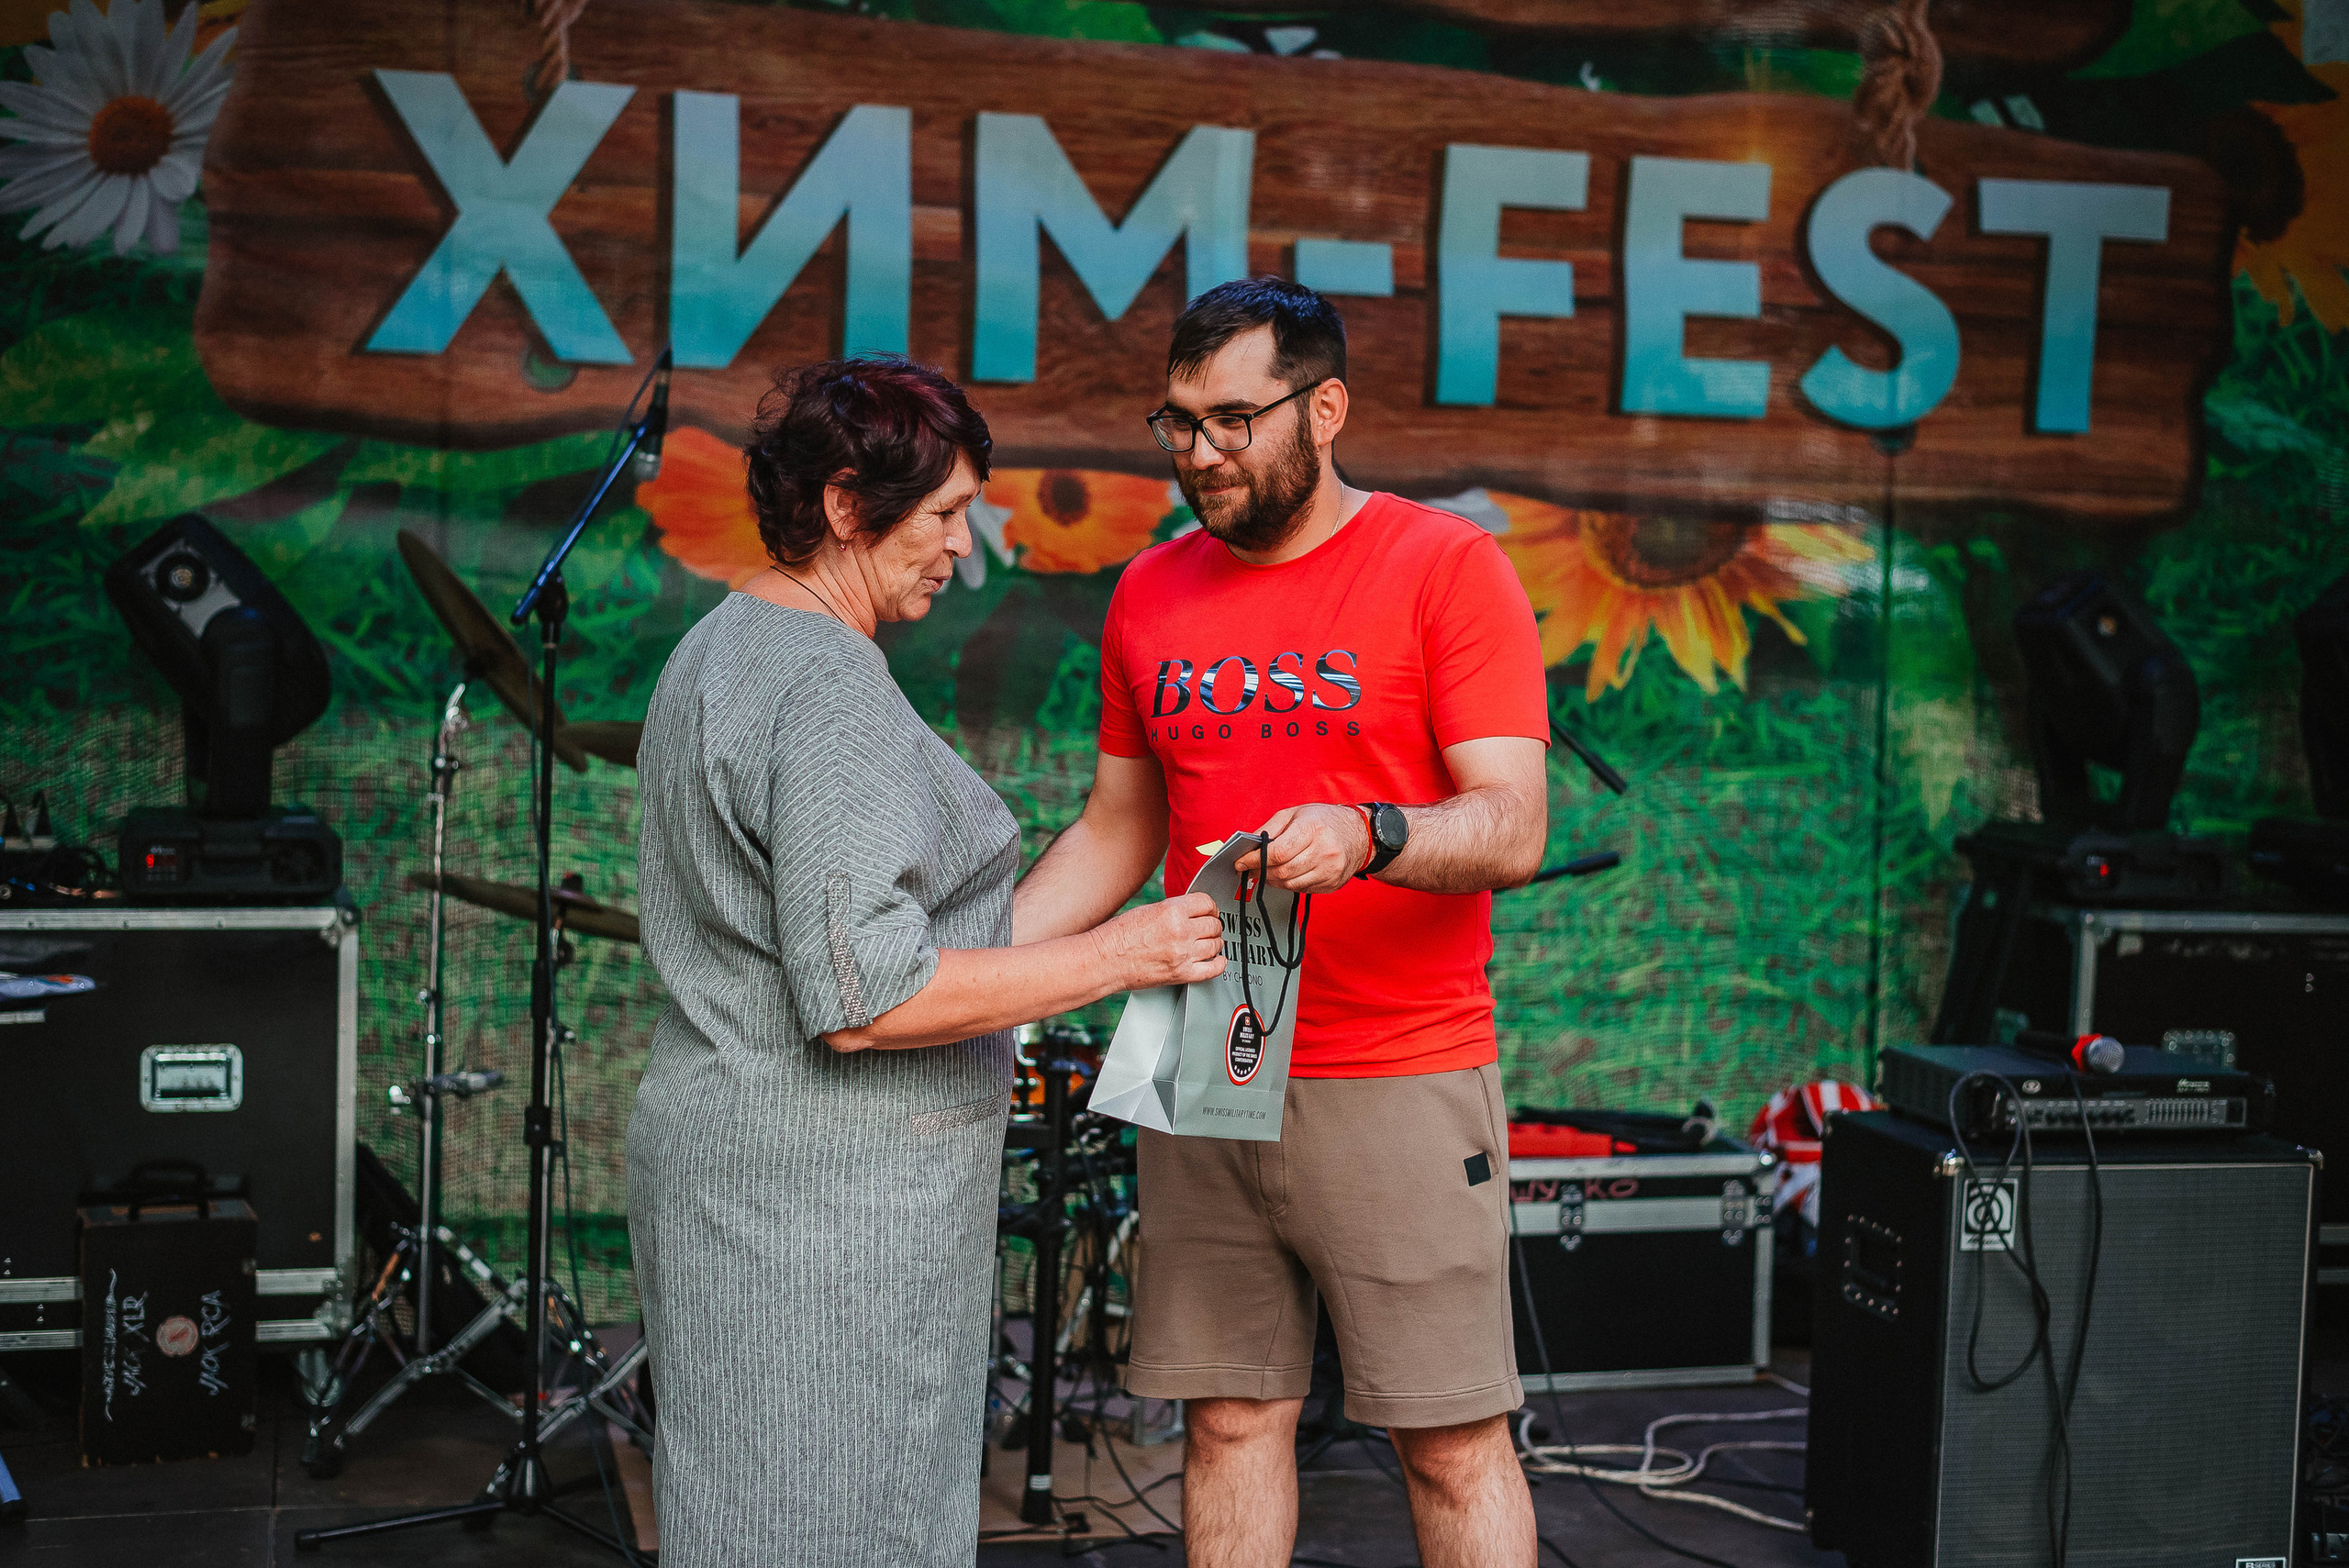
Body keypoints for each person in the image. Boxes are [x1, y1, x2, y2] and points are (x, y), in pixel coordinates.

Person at [628, 355, 1225, 1568]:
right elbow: (868, 994)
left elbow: (938, 938)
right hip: (827, 1215)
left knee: (743, 1517)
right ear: (847, 506)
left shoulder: (721, 645)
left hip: (729, 1168)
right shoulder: (834, 687)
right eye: (947, 512)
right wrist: (1128, 950)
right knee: (846, 1524)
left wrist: (1138, 819)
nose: (965, 542)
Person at [1013, 280, 1553, 1568]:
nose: (1199, 452)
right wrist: (988, 967)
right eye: (1179, 422)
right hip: (1201, 1047)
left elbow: (1514, 824)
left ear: (1327, 408)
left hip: (1399, 1063)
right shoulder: (1148, 589)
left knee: (1450, 1439)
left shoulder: (1448, 565)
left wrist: (1374, 831)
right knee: (1227, 1420)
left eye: (1233, 421)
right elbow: (1115, 828)